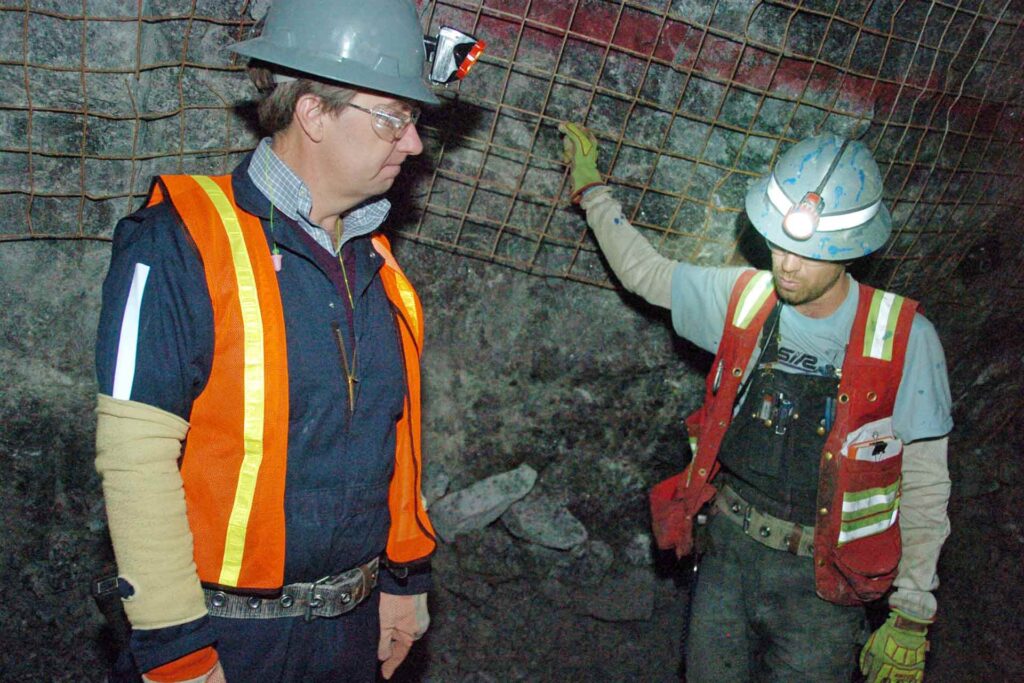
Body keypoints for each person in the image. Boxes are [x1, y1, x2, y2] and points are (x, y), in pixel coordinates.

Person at [92, 1, 475, 680]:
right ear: (314, 114)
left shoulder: (379, 268)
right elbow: (135, 459)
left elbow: (394, 439)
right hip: (224, 641)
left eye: (413, 121)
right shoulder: (180, 242)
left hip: (349, 635)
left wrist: (403, 577)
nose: (412, 144)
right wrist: (175, 648)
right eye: (393, 117)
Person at [559, 122, 952, 682]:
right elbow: (646, 274)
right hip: (729, 554)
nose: (786, 265)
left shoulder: (905, 339)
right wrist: (593, 192)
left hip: (825, 584)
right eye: (779, 243)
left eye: (809, 253)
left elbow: (925, 484)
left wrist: (912, 611)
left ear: (851, 252)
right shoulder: (745, 296)